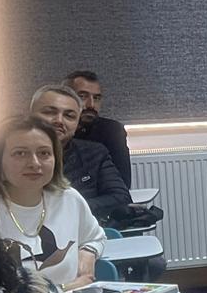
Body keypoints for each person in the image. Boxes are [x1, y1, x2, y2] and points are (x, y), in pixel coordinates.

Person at [0, 116, 104, 289]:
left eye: (44, 153)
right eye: (20, 153)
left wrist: (88, 253)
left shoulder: (68, 199)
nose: (35, 163)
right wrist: (67, 288)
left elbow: (95, 238)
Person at [29, 84, 134, 223]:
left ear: (77, 123)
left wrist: (68, 208)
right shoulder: (11, 154)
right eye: (49, 112)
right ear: (30, 116)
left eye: (69, 116)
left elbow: (121, 198)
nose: (59, 120)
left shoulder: (94, 153)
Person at [66, 70, 132, 185]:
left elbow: (122, 183)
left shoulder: (111, 131)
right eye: (82, 96)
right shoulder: (54, 131)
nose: (91, 105)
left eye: (96, 98)